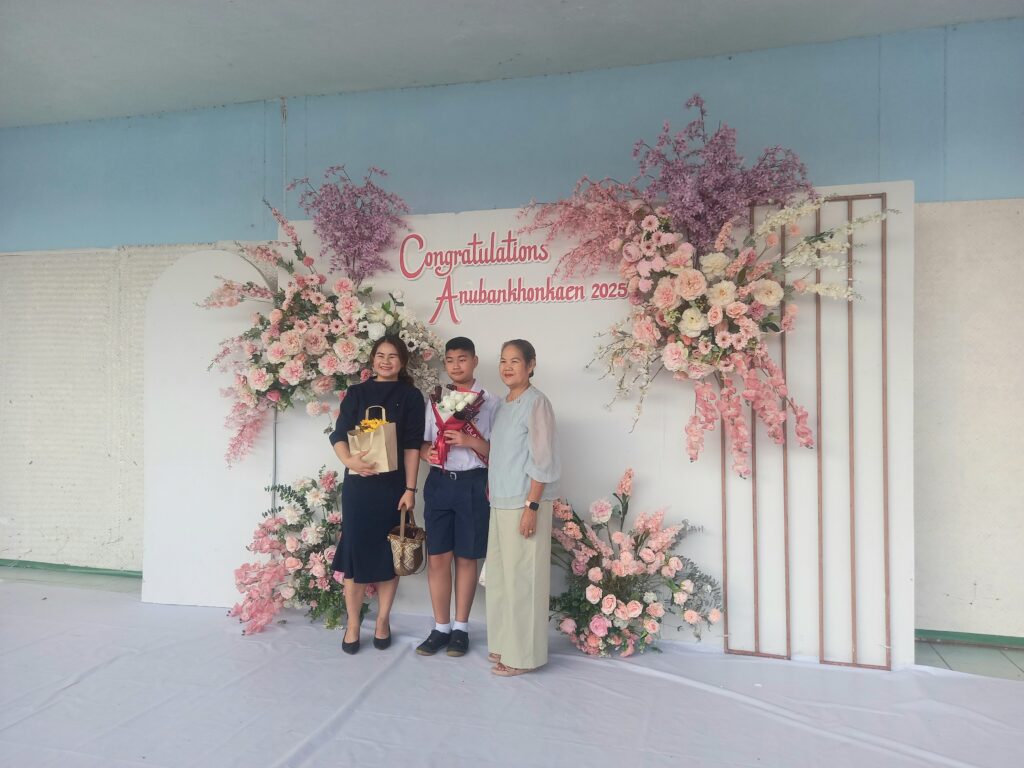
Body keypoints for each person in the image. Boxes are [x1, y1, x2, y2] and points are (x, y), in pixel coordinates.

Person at [329, 336, 425, 655]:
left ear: (402, 362)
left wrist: (410, 489)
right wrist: (349, 460)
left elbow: (412, 445)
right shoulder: (357, 393)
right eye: (380, 355)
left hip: (392, 489)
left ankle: (383, 620)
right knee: (355, 556)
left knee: (388, 557)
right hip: (358, 487)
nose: (385, 361)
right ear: (372, 359)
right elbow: (339, 434)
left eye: (393, 356)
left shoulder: (411, 396)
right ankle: (354, 624)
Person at [415, 337, 498, 658]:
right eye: (450, 360)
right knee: (437, 557)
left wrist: (469, 441)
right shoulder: (437, 399)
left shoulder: (491, 402)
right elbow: (423, 443)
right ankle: (440, 627)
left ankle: (461, 628)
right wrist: (429, 453)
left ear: (474, 361)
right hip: (439, 484)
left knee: (466, 557)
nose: (456, 366)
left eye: (462, 359)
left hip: (473, 485)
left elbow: (501, 452)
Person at [485, 339, 560, 676]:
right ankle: (505, 643)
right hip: (500, 503)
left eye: (515, 360)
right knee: (502, 579)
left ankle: (523, 656)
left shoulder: (537, 403)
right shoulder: (502, 405)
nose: (507, 367)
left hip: (524, 503)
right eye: (503, 360)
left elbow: (542, 460)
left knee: (524, 581)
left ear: (531, 365)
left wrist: (532, 506)